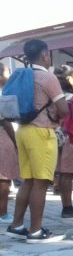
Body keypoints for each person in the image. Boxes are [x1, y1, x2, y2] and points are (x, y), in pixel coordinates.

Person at [6, 39, 69, 242]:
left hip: (23, 129)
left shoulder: (22, 75)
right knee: (41, 183)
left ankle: (17, 224)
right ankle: (35, 230)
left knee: (28, 180)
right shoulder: (47, 77)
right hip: (42, 132)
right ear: (44, 55)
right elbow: (63, 109)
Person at [52, 65, 73, 219]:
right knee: (68, 173)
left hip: (55, 136)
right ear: (70, 79)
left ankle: (66, 204)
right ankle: (67, 207)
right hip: (69, 137)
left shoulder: (54, 97)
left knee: (62, 172)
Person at [0, 62, 18, 224]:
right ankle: (2, 213)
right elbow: (6, 122)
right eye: (7, 73)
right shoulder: (1, 96)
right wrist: (15, 141)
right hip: (2, 137)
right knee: (4, 177)